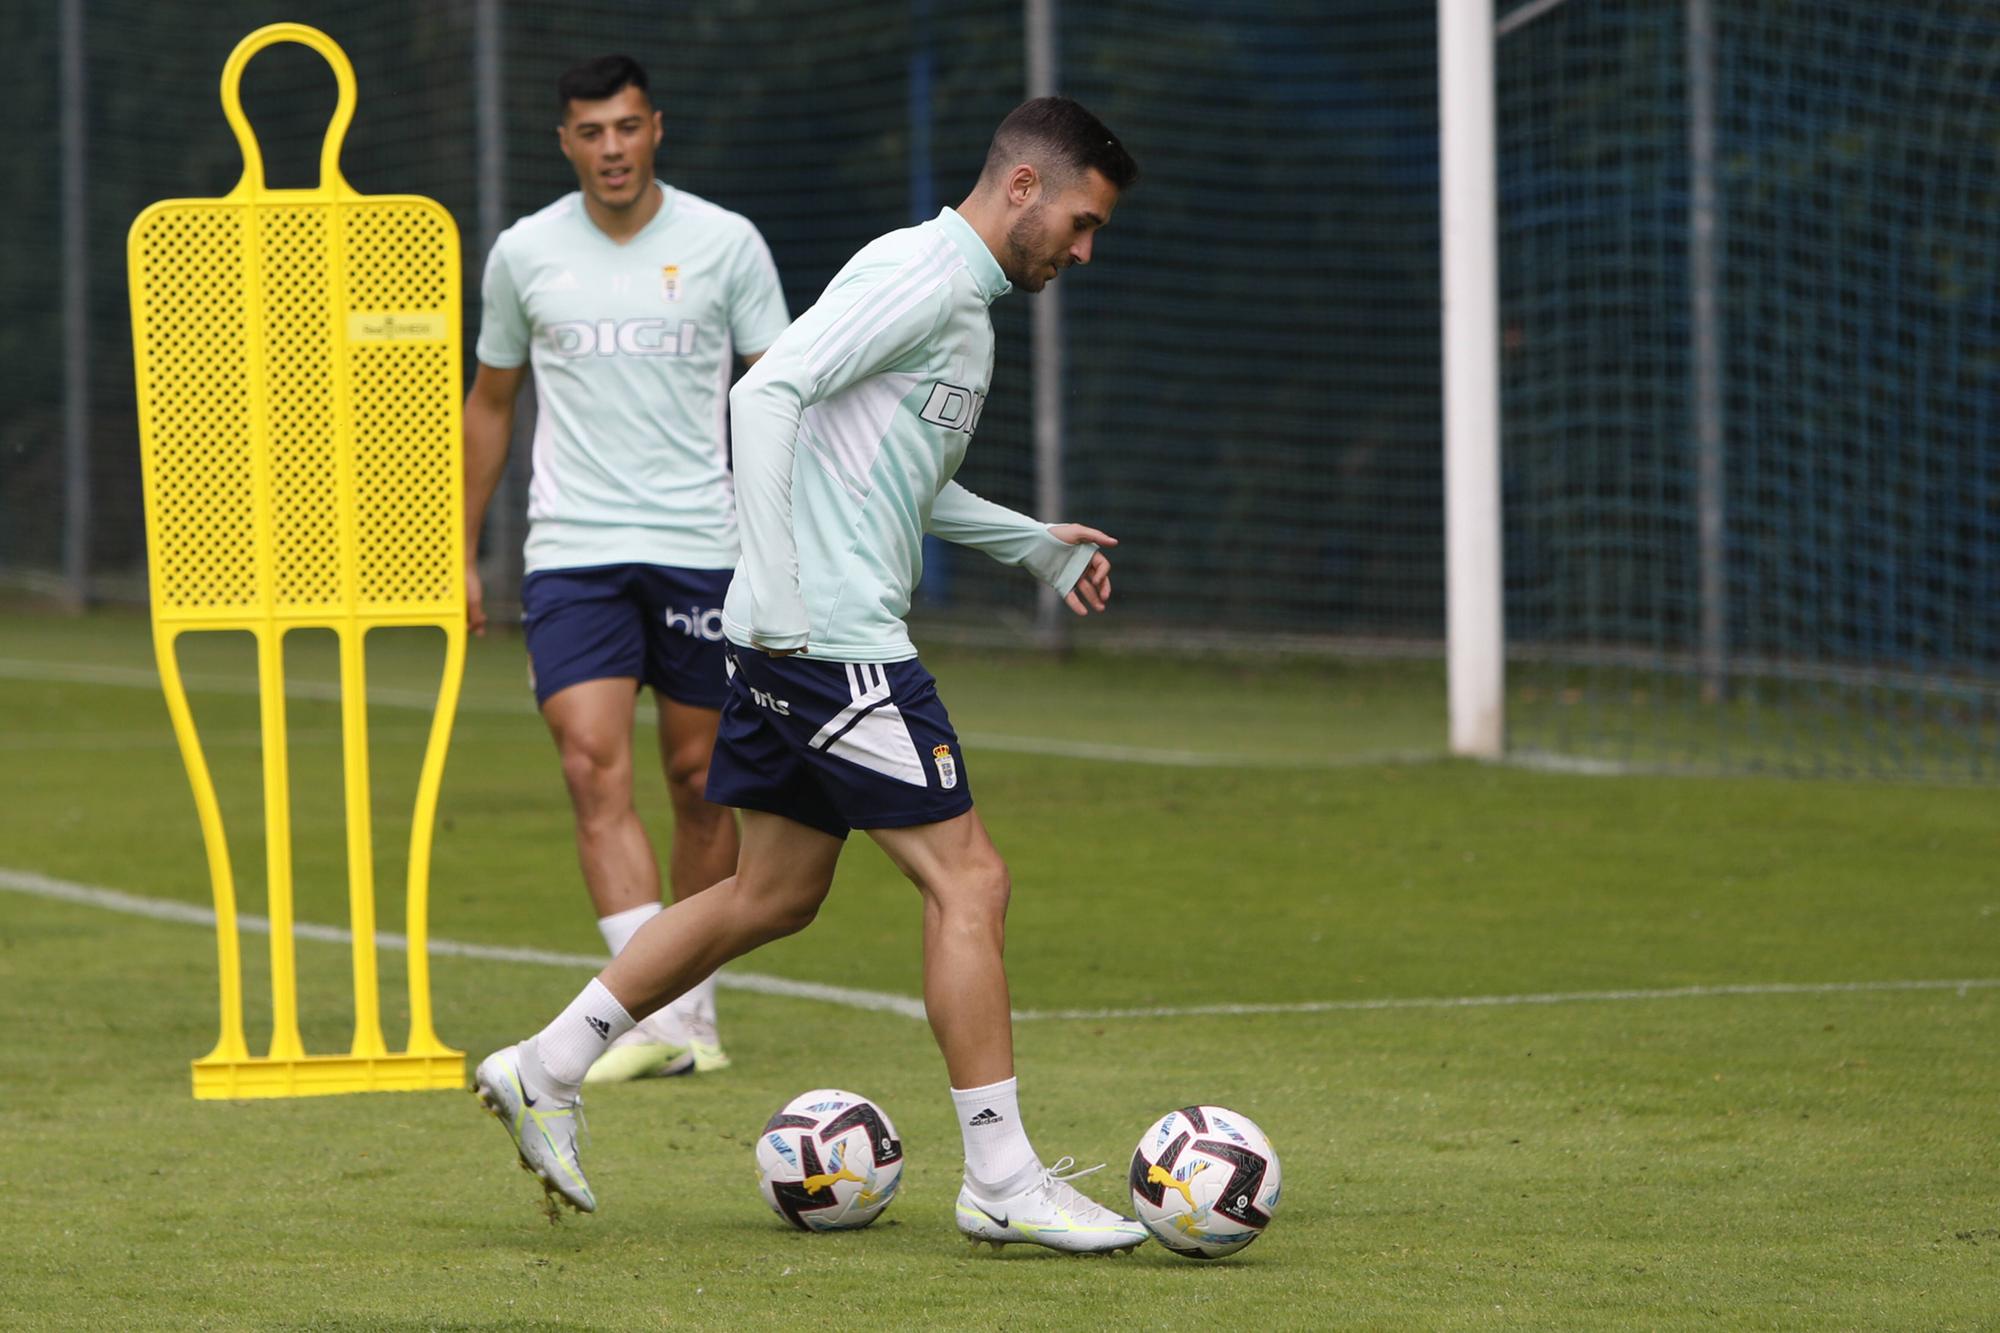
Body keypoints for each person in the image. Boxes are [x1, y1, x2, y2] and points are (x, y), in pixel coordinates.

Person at [475, 96, 1145, 1255]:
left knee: (768, 894)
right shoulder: (921, 277)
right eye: (1081, 221)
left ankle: (544, 1065)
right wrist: (780, 590)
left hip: (805, 636)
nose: (1083, 251)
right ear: (1025, 187)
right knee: (969, 882)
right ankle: (1001, 1175)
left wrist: (1029, 543)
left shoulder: (962, 309)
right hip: (830, 639)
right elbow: (763, 392)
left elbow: (898, 481)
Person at [463, 55, 791, 1082]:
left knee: (701, 781)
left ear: (657, 128)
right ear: (563, 142)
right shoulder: (523, 254)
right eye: (589, 131)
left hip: (703, 548)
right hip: (573, 552)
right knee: (588, 761)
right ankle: (647, 1015)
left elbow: (779, 392)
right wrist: (459, 550)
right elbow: (490, 402)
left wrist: (792, 542)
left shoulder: (726, 244)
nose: (610, 147)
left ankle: (682, 1016)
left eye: (626, 127)